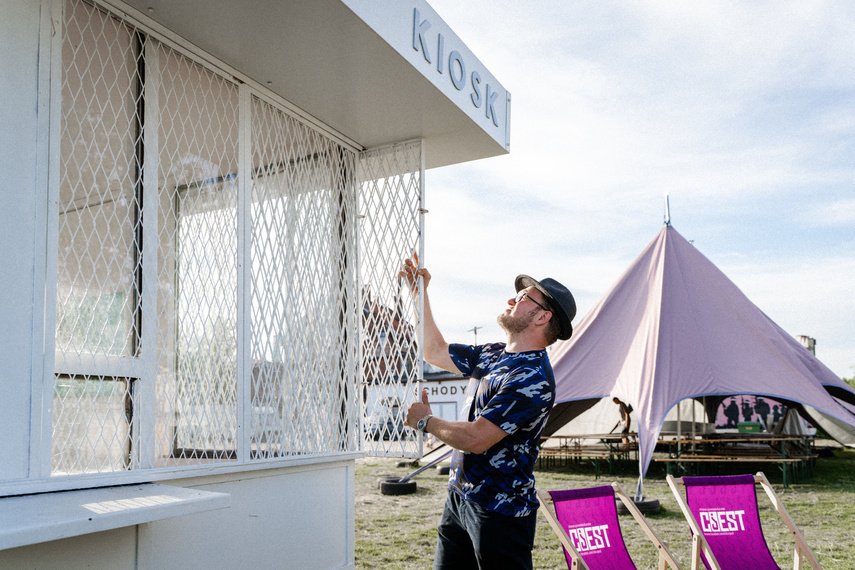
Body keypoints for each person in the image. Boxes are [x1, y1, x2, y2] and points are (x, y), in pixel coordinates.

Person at [399, 253, 576, 570]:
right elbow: (434, 351)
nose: (512, 299)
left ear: (542, 318)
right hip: (459, 499)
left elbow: (477, 438)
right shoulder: (493, 353)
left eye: (523, 297)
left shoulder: (532, 378)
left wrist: (426, 421)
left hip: (500, 513)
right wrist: (419, 294)